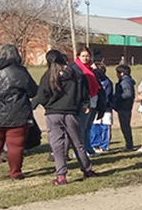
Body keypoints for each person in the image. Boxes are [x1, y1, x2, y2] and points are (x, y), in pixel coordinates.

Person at [33, 49, 98, 185]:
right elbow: (83, 91)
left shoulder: (48, 76)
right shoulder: (76, 74)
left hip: (53, 114)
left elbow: (41, 95)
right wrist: (85, 104)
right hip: (71, 112)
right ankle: (87, 170)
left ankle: (61, 176)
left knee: (57, 145)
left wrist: (40, 105)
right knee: (78, 143)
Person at [0, 44, 38, 181]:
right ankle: (15, 173)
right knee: (15, 145)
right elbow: (32, 91)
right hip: (16, 112)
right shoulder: (20, 71)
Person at [73, 48, 101, 157]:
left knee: (88, 127)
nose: (86, 58)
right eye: (83, 56)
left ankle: (88, 149)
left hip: (93, 100)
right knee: (81, 127)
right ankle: (79, 151)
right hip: (83, 102)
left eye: (87, 56)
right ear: (78, 56)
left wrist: (96, 70)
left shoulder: (91, 69)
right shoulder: (76, 69)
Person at [89, 63, 114, 153]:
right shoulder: (94, 81)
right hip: (96, 107)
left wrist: (102, 105)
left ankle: (104, 146)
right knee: (95, 126)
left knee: (105, 126)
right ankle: (95, 145)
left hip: (106, 108)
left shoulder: (106, 82)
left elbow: (106, 96)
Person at [112, 64, 137, 151]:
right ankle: (129, 144)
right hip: (125, 106)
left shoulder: (124, 82)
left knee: (125, 126)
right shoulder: (127, 81)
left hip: (124, 106)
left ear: (122, 73)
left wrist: (118, 98)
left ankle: (129, 145)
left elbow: (128, 94)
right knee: (125, 126)